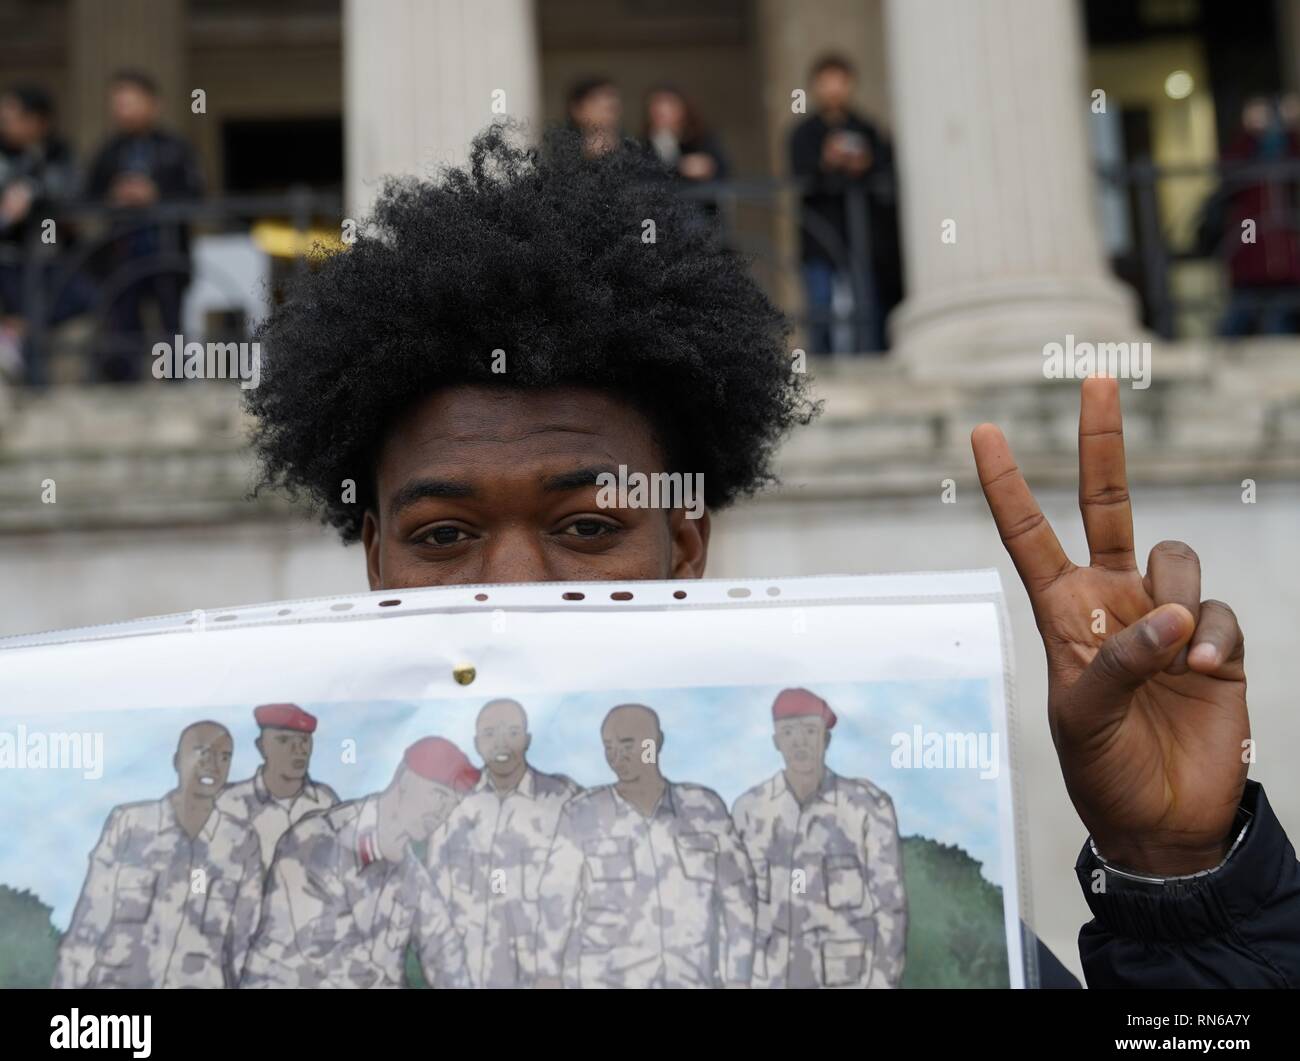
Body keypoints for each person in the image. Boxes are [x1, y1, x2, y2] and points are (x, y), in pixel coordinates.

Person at [244, 124, 1300, 989]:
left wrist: (1184, 878)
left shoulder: (828, 869)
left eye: (586, 527)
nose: (517, 588)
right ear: (378, 562)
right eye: (442, 537)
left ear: (683, 545)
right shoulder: (282, 886)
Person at [533, 705, 756, 988]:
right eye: (609, 747)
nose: (617, 757)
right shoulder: (582, 814)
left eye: (628, 745)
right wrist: (548, 977)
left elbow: (739, 902)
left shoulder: (704, 809)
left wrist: (738, 979)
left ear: (655, 742)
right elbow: (555, 905)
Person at [240, 736, 474, 989]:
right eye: (438, 795)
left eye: (452, 804)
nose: (443, 811)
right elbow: (333, 957)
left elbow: (443, 946)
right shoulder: (317, 840)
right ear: (405, 780)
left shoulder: (409, 871)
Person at [53, 721, 264, 989]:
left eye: (224, 757)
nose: (213, 765)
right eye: (202, 753)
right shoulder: (130, 825)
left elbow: (243, 947)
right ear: (177, 761)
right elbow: (88, 928)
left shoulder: (240, 841)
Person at [733, 688, 906, 988]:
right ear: (776, 742)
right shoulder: (750, 811)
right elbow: (734, 908)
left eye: (810, 730)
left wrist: (882, 983)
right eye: (788, 732)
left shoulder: (867, 808)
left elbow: (890, 908)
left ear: (826, 738)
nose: (799, 741)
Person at [429, 698, 581, 987]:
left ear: (527, 739)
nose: (501, 743)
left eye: (512, 732)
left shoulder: (564, 800)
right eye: (489, 734)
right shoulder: (453, 807)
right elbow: (436, 908)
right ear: (476, 743)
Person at [85, 69, 203, 381]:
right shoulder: (109, 151)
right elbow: (87, 195)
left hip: (167, 250)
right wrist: (114, 195)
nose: (122, 110)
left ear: (153, 104)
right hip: (122, 251)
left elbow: (196, 194)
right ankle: (123, 382)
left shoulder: (175, 148)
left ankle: (176, 378)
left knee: (171, 319)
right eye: (117, 103)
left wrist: (156, 195)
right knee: (122, 319)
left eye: (129, 102)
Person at [789, 54, 898, 355]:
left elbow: (884, 171)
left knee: (867, 304)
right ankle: (821, 368)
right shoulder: (804, 132)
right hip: (819, 234)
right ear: (816, 87)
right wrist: (826, 161)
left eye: (840, 82)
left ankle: (871, 358)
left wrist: (864, 164)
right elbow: (799, 176)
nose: (834, 89)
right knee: (820, 303)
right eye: (827, 82)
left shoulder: (867, 128)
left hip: (861, 234)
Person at [0, 84, 87, 383]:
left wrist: (33, 191)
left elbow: (72, 191)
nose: (4, 120)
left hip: (52, 258)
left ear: (36, 121)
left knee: (73, 304)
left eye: (11, 115)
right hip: (9, 258)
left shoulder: (58, 153)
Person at [216, 702, 340, 871]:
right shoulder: (229, 803)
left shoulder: (326, 801)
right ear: (261, 747)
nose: (299, 750)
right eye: (284, 740)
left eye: (304, 740)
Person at [1217, 94, 1300, 336]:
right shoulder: (1244, 147)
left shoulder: (1288, 146)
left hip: (1286, 253)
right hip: (1251, 243)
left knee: (1281, 316)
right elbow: (1228, 171)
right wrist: (1249, 133)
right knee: (1242, 309)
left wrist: (1293, 126)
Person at [565, 76, 623, 159]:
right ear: (576, 109)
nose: (607, 106)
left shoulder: (634, 151)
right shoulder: (563, 154)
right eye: (597, 100)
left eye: (612, 100)